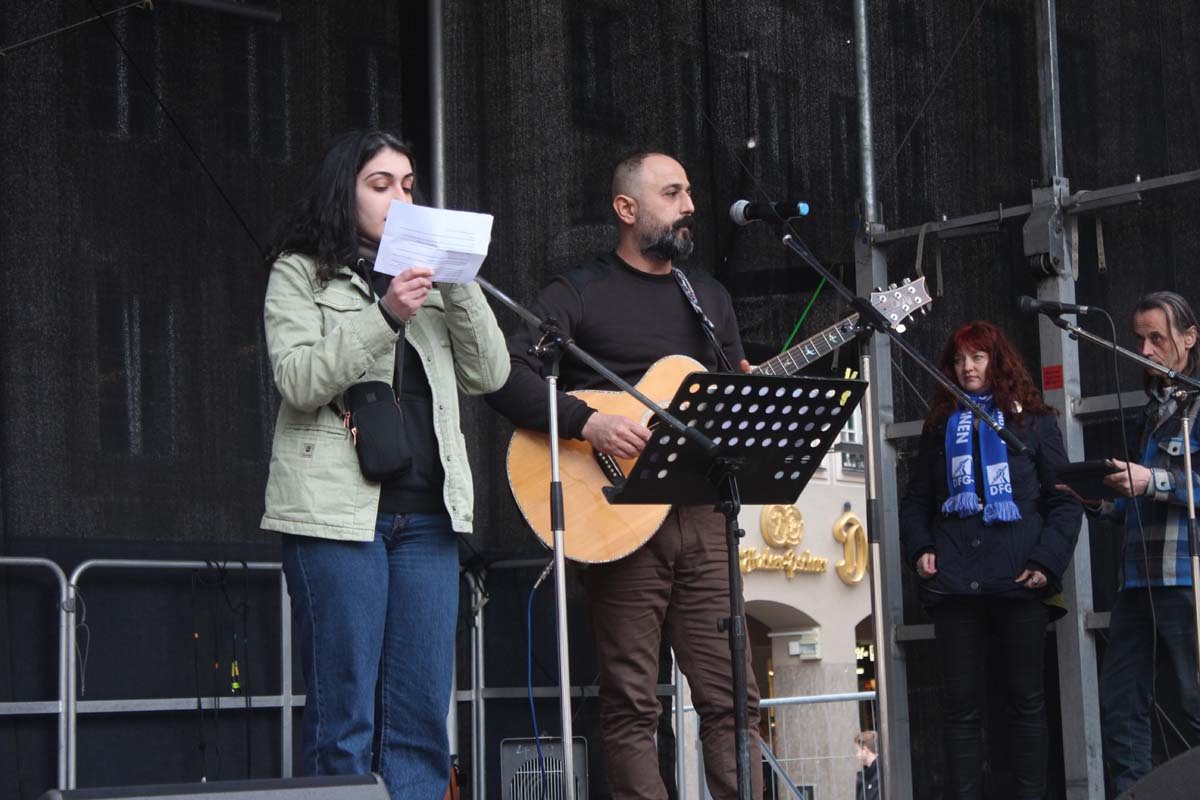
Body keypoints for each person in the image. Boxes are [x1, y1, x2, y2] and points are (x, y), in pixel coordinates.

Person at [485, 151, 762, 800]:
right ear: (626, 209)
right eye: (672, 193)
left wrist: (744, 398)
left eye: (689, 191)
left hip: (702, 518)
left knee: (734, 702)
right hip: (618, 515)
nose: (689, 205)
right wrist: (589, 423)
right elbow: (504, 376)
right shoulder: (578, 293)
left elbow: (724, 396)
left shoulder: (709, 299)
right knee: (634, 704)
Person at [260, 130, 509, 799]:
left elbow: (491, 372)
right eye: (380, 185)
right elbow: (299, 378)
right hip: (337, 519)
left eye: (407, 185)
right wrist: (384, 313)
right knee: (345, 717)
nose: (399, 197)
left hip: (428, 522)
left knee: (423, 721)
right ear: (346, 193)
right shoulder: (300, 270)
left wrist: (457, 282)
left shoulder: (436, 282)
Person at [899, 320, 1082, 800]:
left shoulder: (1035, 421)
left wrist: (1047, 562)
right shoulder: (939, 426)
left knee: (1025, 703)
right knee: (960, 708)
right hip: (956, 583)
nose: (966, 368)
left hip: (1020, 578)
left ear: (997, 361)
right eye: (959, 359)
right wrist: (922, 550)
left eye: (977, 357)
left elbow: (1064, 499)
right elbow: (916, 501)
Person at [1075, 291, 1200, 793]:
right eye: (1139, 340)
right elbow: (1133, 507)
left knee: (1194, 702)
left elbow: (1165, 485)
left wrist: (1155, 481)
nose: (1145, 351)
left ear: (1189, 339)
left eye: (1157, 338)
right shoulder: (1151, 412)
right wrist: (1092, 501)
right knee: (1121, 702)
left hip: (1186, 579)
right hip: (1137, 581)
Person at [854, 730, 880, 800]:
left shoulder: (879, 775)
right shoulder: (867, 774)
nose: (856, 755)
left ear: (865, 750)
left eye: (858, 750)